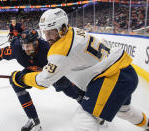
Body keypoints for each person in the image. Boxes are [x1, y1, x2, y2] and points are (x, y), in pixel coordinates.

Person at [10, 8, 149, 131]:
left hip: (113, 77)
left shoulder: (61, 49)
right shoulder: (73, 30)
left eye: (51, 33)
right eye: (45, 32)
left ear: (63, 28)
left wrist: (21, 78)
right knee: (124, 111)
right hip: (123, 71)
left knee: (83, 119)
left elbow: (43, 82)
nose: (48, 37)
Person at [0, 29, 84, 131]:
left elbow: (63, 63)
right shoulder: (17, 48)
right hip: (34, 71)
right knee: (15, 82)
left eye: (29, 46)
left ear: (36, 44)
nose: (25, 49)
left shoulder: (48, 49)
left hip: (51, 71)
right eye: (24, 46)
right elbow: (1, 53)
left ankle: (84, 103)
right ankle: (33, 120)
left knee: (64, 85)